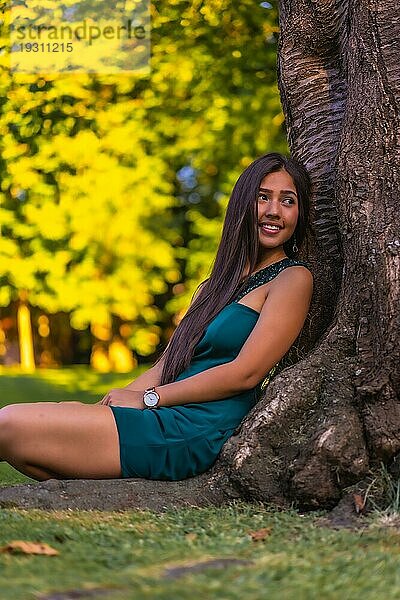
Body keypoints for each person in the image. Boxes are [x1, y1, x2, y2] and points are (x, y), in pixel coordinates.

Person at [0, 152, 313, 482]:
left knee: (9, 424)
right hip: (164, 414)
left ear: (299, 214)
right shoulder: (212, 288)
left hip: (194, 428)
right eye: (263, 197)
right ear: (243, 203)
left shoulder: (292, 279)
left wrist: (149, 400)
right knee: (26, 447)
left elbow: (245, 373)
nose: (273, 211)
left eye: (287, 201)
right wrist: (108, 406)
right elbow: (168, 365)